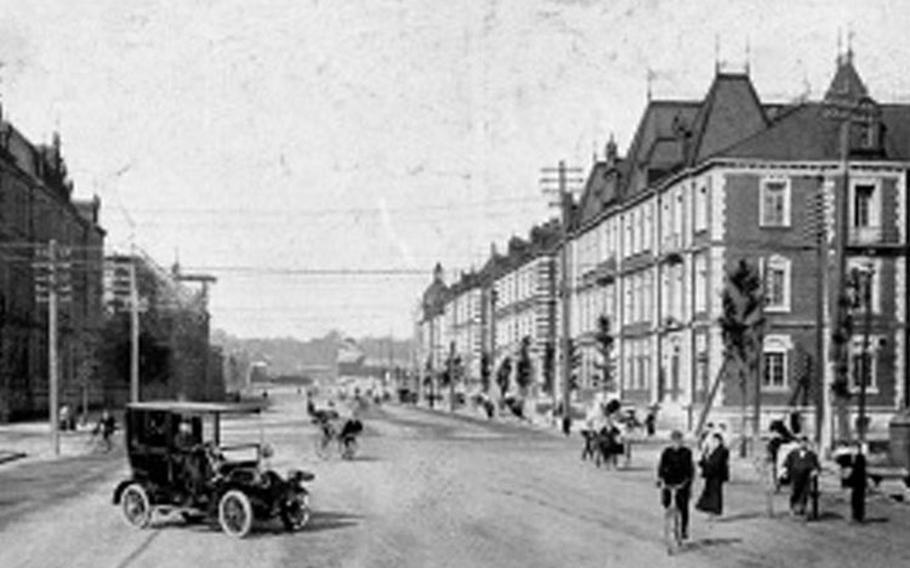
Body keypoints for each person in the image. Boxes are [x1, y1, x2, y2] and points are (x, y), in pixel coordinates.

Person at [657, 430, 695, 540]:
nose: (677, 443)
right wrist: (660, 479)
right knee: (666, 503)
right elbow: (661, 466)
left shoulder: (687, 452)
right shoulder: (667, 452)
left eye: (679, 440)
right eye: (674, 441)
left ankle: (683, 529)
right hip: (668, 481)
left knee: (683, 507)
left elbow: (689, 469)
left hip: (682, 482)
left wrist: (688, 481)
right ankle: (669, 524)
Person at [783, 436, 821, 517]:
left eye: (805, 443)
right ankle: (792, 508)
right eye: (801, 443)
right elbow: (787, 464)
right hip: (795, 476)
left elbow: (816, 465)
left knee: (805, 493)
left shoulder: (811, 454)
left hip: (806, 477)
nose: (803, 444)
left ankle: (802, 508)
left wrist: (815, 471)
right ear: (799, 444)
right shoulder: (793, 454)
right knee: (795, 492)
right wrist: (785, 472)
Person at [696, 433, 730, 520]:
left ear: (720, 441)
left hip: (717, 476)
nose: (714, 442)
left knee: (715, 495)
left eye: (716, 441)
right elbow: (708, 461)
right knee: (709, 493)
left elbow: (717, 463)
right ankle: (710, 513)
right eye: (713, 441)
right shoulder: (713, 450)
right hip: (711, 475)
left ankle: (714, 513)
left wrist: (707, 463)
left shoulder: (723, 450)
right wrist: (703, 462)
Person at [844, 441, 867, 523]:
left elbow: (859, 470)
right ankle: (854, 516)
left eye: (855, 448)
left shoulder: (861, 458)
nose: (854, 450)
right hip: (853, 482)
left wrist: (851, 470)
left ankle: (860, 517)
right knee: (854, 500)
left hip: (860, 482)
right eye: (852, 448)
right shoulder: (850, 457)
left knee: (860, 500)